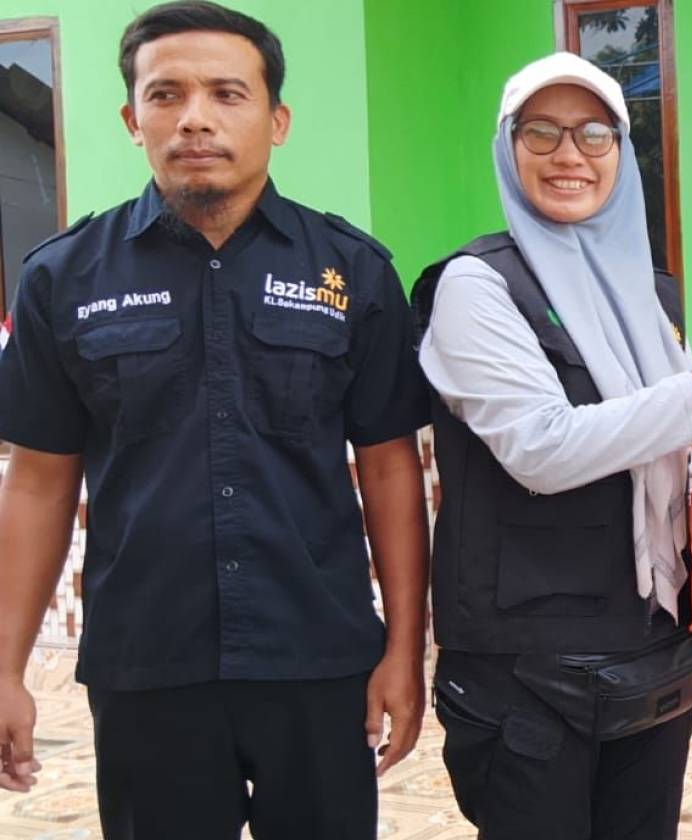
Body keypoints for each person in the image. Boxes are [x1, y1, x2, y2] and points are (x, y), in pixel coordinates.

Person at [0, 2, 430, 837]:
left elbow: (388, 466)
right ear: (132, 120)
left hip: (318, 661)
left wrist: (403, 651)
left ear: (277, 120)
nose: (195, 117)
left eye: (227, 93)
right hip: (147, 668)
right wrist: (5, 664)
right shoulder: (64, 279)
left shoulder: (352, 272)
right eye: (166, 95)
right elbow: (40, 480)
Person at [411, 53, 692, 840]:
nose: (569, 155)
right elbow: (541, 449)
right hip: (530, 676)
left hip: (654, 650)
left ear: (623, 150)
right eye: (540, 132)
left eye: (593, 133)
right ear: (507, 149)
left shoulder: (650, 292)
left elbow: (681, 458)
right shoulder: (477, 288)